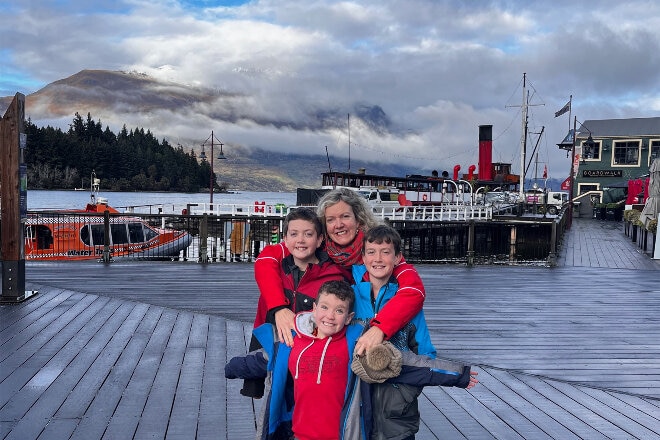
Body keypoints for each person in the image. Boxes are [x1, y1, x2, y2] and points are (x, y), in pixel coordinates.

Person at [226, 280, 478, 440]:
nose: (330, 316)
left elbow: (406, 364)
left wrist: (458, 375)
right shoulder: (292, 342)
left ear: (349, 317)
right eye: (324, 307)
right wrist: (231, 367)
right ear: (314, 309)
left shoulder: (357, 345)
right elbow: (260, 362)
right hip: (299, 435)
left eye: (339, 310)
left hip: (344, 434)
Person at [254, 188, 426, 354]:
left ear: (359, 219)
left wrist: (380, 328)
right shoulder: (319, 246)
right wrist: (279, 308)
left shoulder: (377, 251)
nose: (338, 225)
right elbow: (266, 259)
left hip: (375, 339)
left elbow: (413, 291)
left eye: (345, 216)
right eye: (330, 220)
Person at [352, 224, 454, 440]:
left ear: (398, 258)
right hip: (357, 407)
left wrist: (404, 393)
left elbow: (426, 353)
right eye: (371, 252)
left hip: (398, 413)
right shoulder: (351, 297)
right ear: (362, 257)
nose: (378, 258)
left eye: (386, 252)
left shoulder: (407, 304)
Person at [245, 207, 350, 398]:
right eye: (294, 234)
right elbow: (263, 319)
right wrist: (253, 378)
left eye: (308, 234)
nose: (300, 240)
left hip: (312, 365)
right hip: (276, 362)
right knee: (276, 414)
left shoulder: (332, 278)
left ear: (319, 240)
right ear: (285, 239)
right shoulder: (276, 273)